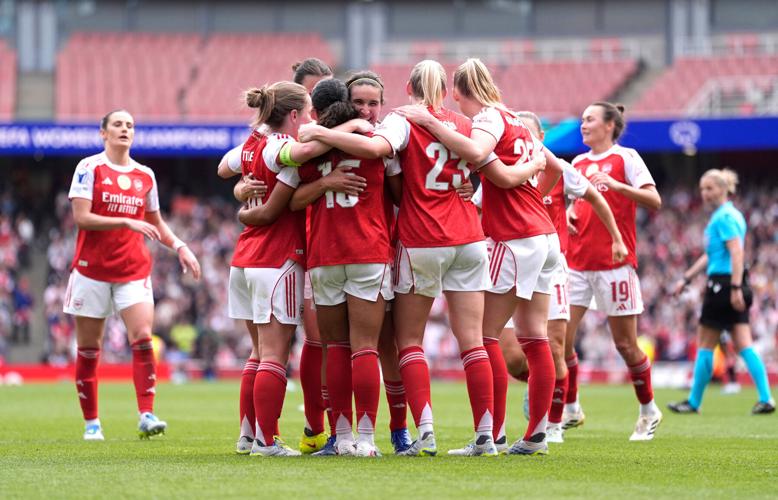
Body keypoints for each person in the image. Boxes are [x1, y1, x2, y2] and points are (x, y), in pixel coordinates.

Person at [299, 60, 539, 457]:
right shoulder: (469, 124)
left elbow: (384, 165)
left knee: (407, 342)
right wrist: (467, 183)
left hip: (421, 238)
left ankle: (423, 433)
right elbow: (483, 162)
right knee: (475, 342)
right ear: (446, 90)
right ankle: (486, 436)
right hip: (468, 238)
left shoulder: (401, 121)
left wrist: (323, 133)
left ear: (407, 87)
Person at [394, 58, 566, 456]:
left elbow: (480, 155)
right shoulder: (516, 119)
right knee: (534, 336)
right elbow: (553, 166)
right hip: (543, 234)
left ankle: (494, 434)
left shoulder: (489, 118)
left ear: (456, 91)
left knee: (482, 338)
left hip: (514, 237)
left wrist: (433, 123)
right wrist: (536, 194)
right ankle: (537, 433)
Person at [224, 81, 366, 457]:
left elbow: (224, 166)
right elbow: (304, 156)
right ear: (291, 115)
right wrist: (348, 128)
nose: (309, 120)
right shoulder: (281, 149)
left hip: (244, 261)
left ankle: (249, 435)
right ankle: (266, 443)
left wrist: (242, 190)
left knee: (257, 355)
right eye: (304, 112)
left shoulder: (254, 142)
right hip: (276, 258)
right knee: (273, 356)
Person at [485, 111, 628, 445]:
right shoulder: (503, 172)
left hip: (551, 265)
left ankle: (551, 422)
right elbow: (476, 206)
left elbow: (597, 198)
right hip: (510, 258)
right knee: (512, 357)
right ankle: (540, 391)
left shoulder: (562, 171)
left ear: (540, 137)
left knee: (553, 345)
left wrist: (617, 238)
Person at [64, 109, 201, 441]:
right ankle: (92, 423)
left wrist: (180, 245)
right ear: (103, 133)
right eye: (117, 125)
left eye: (130, 125)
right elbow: (82, 218)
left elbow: (154, 221)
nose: (125, 129)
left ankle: (146, 414)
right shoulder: (89, 167)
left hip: (133, 269)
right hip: (91, 270)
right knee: (89, 348)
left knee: (142, 338)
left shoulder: (145, 175)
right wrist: (126, 221)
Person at [291, 78, 393, 456]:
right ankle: (366, 440)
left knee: (335, 347)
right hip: (367, 249)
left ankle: (342, 437)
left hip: (324, 254)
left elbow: (293, 199)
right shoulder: (373, 140)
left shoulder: (310, 149)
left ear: (316, 111)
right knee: (365, 348)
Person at [564, 101, 663, 441]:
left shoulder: (627, 158)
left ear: (609, 125)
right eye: (581, 119)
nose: (583, 124)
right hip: (577, 263)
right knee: (561, 340)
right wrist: (568, 215)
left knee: (625, 344)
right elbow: (569, 201)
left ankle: (649, 410)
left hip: (615, 265)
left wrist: (618, 186)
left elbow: (654, 201)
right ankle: (572, 408)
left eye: (589, 119)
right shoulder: (577, 162)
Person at [668, 168, 775, 415]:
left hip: (722, 284)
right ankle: (766, 398)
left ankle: (694, 402)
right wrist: (686, 277)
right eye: (702, 189)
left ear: (723, 189)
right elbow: (712, 254)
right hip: (732, 281)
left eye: (709, 188)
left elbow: (737, 252)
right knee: (744, 344)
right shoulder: (730, 215)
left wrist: (735, 286)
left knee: (705, 343)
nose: (704, 193)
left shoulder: (723, 217)